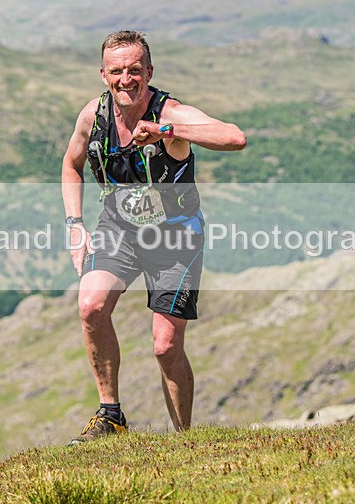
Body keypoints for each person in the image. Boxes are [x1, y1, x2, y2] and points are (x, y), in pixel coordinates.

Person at [61, 30, 246, 443]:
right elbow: (71, 166)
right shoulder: (94, 116)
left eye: (135, 70)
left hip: (176, 238)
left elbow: (235, 137)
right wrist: (75, 226)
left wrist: (166, 132)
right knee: (91, 306)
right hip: (119, 229)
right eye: (116, 71)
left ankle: (183, 439)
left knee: (165, 346)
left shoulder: (172, 113)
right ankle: (111, 415)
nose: (126, 79)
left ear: (149, 72)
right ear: (103, 74)